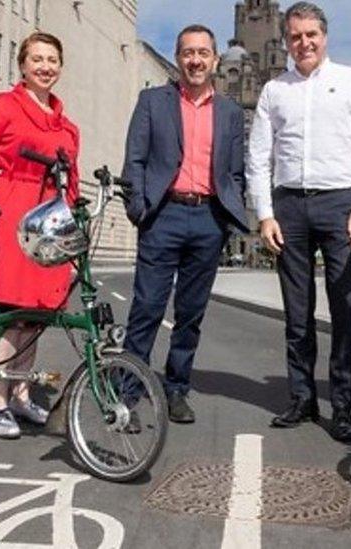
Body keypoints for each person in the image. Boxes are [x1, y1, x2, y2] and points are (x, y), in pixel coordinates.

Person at [247, 2, 351, 441]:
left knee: (346, 309)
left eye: (311, 35)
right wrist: (265, 213)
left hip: (341, 205)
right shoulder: (275, 91)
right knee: (297, 312)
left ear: (324, 36)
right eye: (295, 36)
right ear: (286, 41)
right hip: (289, 207)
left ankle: (343, 406)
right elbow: (257, 157)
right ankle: (302, 398)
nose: (303, 43)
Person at [0, 32, 80, 439]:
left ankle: (22, 395)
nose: (46, 66)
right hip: (8, 214)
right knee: (9, 317)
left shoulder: (68, 126)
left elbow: (72, 181)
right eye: (37, 59)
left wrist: (73, 223)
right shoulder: (1, 107)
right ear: (23, 65)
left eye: (53, 60)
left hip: (49, 223)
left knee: (35, 318)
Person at [121, 24, 248, 423]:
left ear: (213, 60)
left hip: (208, 219)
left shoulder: (229, 112)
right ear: (178, 59)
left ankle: (177, 388)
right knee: (146, 308)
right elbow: (135, 160)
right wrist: (139, 208)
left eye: (202, 54)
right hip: (164, 215)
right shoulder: (153, 101)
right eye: (188, 53)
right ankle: (128, 391)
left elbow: (236, 172)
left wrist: (227, 218)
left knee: (191, 314)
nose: (195, 60)